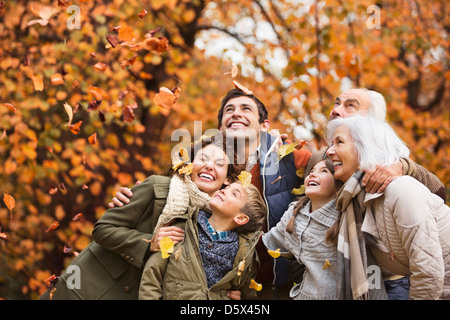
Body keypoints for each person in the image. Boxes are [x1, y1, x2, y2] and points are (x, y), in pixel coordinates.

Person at [110, 87, 446, 298]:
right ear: (219, 125)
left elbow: (434, 191)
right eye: (229, 110)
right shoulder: (199, 160)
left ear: (264, 126)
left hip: (281, 284)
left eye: (246, 110)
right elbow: (162, 202)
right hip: (207, 285)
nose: (236, 115)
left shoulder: (296, 158)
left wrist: (400, 166)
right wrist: (126, 204)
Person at [39, 135, 241, 299]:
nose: (209, 166)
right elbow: (102, 229)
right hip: (89, 289)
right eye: (203, 159)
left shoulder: (215, 221)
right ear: (189, 164)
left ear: (227, 180)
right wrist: (148, 243)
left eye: (220, 164)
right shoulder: (157, 187)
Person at [326, 116, 450, 300]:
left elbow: (428, 272)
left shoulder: (401, 190)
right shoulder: (357, 202)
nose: (329, 151)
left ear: (365, 147)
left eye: (339, 142)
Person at [139, 181, 266, 300]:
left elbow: (246, 293)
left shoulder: (244, 254)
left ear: (241, 218)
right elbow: (152, 274)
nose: (223, 190)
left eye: (234, 194)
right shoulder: (181, 228)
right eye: (226, 187)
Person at [261, 151, 341, 299]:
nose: (313, 174)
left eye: (324, 171)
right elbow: (270, 240)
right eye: (311, 171)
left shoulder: (344, 215)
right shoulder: (295, 212)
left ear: (338, 183)